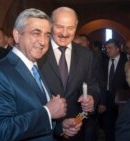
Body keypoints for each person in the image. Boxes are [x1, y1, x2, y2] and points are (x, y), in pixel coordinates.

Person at [0, 8, 73, 141]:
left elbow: (36, 112)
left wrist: (59, 127)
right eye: (36, 33)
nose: (43, 41)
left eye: (47, 35)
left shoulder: (35, 67)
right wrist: (47, 113)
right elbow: (3, 131)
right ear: (17, 35)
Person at [38, 7, 100, 140]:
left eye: (70, 28)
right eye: (59, 27)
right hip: (44, 130)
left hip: (76, 126)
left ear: (76, 28)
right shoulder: (38, 52)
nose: (65, 33)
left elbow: (93, 85)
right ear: (50, 25)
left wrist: (91, 98)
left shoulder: (86, 55)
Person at [100, 39, 128, 141]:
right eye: (106, 48)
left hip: (122, 100)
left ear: (118, 49)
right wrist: (102, 102)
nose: (107, 50)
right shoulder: (102, 62)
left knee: (121, 126)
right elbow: (101, 84)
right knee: (107, 126)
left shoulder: (126, 62)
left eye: (110, 48)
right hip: (106, 98)